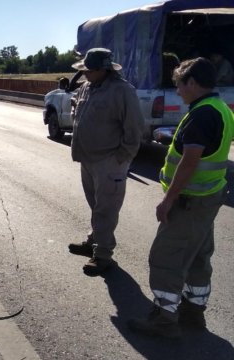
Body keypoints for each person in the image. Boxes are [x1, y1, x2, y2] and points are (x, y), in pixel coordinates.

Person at [128, 58, 233, 338]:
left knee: (166, 258)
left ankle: (164, 319)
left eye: (179, 85)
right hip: (208, 197)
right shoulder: (220, 108)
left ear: (192, 83)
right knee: (198, 256)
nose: (177, 91)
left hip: (190, 200)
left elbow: (189, 161)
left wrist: (168, 199)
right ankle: (193, 312)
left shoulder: (201, 115)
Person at [67, 48, 145, 275]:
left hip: (110, 160)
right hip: (88, 158)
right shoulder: (86, 88)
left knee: (106, 209)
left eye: (89, 70)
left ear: (104, 69)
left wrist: (122, 157)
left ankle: (103, 254)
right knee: (96, 206)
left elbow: (135, 127)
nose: (85, 74)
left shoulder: (122, 91)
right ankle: (94, 241)